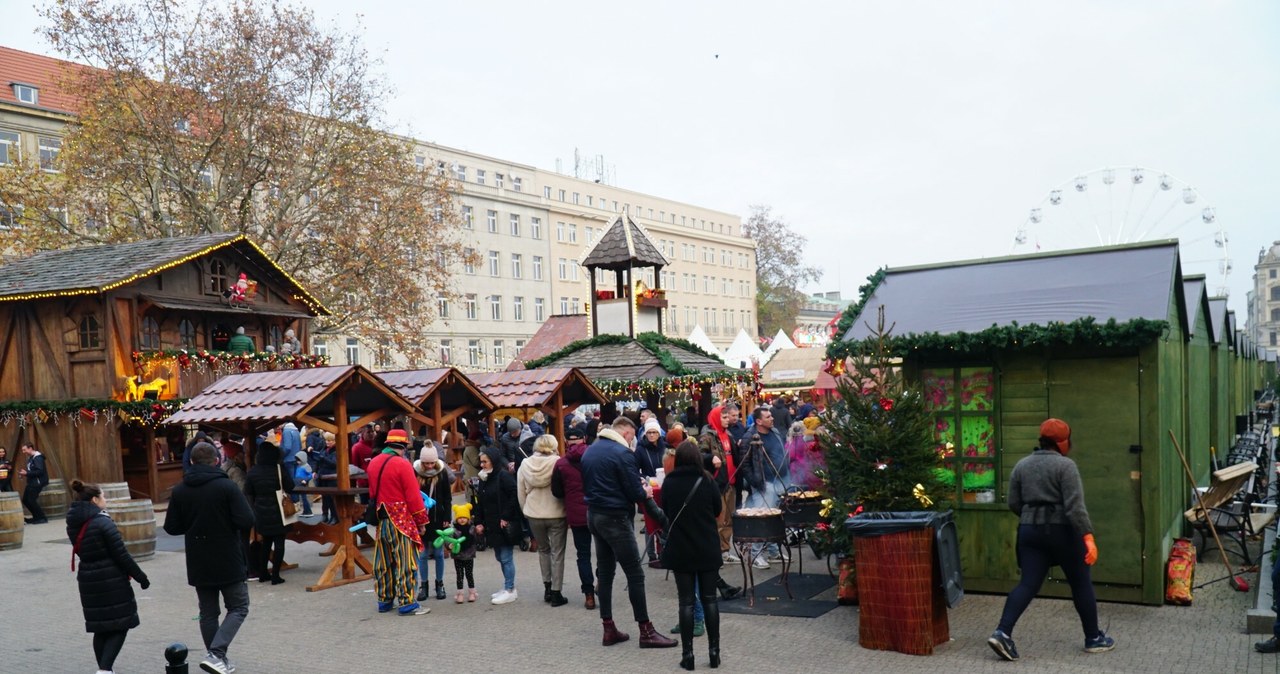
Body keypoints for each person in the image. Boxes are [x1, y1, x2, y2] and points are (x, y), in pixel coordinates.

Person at [988, 418, 1115, 662]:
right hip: (1062, 531)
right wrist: (1088, 539)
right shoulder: (1066, 466)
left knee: (1027, 584)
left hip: (1029, 530)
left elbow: (1013, 502)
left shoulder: (1022, 465)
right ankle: (1093, 638)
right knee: (1080, 582)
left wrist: (1030, 516)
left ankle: (1002, 632)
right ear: (1063, 442)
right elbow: (1075, 508)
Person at [581, 416, 677, 649]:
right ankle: (646, 631)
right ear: (625, 433)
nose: (633, 441)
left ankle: (608, 627)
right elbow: (635, 492)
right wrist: (644, 491)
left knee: (605, 574)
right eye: (632, 437)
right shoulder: (622, 453)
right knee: (635, 574)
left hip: (594, 515)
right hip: (615, 518)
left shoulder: (590, 451)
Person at [163, 441, 255, 674]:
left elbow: (172, 527)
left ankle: (217, 658)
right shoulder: (226, 487)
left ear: (191, 461)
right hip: (227, 555)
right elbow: (246, 520)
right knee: (239, 606)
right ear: (216, 460)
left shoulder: (181, 489)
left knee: (208, 612)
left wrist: (194, 522)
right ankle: (216, 654)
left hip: (199, 557)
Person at [67, 480, 150, 674]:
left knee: (100, 627)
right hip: (111, 578)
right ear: (95, 500)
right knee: (122, 623)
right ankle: (104, 669)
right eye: (103, 496)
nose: (106, 499)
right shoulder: (103, 522)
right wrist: (141, 577)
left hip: (87, 578)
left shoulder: (73, 523)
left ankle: (105, 670)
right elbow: (121, 554)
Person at [661, 441, 725, 670]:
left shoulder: (669, 482)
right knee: (710, 599)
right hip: (707, 546)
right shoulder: (707, 480)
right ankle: (714, 651)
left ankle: (687, 655)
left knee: (686, 602)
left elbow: (666, 511)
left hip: (681, 548)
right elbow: (718, 510)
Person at [366, 428, 430, 616]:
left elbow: (371, 494)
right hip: (401, 519)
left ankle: (385, 600)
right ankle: (407, 602)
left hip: (381, 519)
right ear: (403, 446)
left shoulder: (373, 463)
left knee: (383, 561)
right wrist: (421, 521)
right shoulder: (402, 465)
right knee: (405, 561)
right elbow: (413, 496)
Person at [519, 434, 569, 607]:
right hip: (556, 512)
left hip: (534, 512)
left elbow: (521, 490)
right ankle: (556, 592)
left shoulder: (525, 464)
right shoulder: (558, 462)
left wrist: (526, 509)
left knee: (543, 550)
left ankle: (547, 587)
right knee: (557, 553)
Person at [737, 408, 789, 568]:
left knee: (775, 517)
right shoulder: (750, 437)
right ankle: (756, 555)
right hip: (764, 483)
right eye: (768, 417)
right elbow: (744, 464)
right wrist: (756, 482)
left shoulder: (774, 432)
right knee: (761, 518)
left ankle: (773, 551)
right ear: (759, 421)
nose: (772, 418)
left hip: (779, 480)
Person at [552, 426, 596, 609]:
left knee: (583, 555)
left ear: (566, 441)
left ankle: (589, 595)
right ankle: (602, 579)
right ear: (584, 438)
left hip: (576, 515)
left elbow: (556, 491)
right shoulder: (594, 458)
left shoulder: (561, 464)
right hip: (598, 510)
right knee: (604, 551)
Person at [242, 442, 294, 584]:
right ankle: (276, 575)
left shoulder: (253, 471)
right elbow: (290, 486)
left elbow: (248, 491)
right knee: (279, 542)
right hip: (279, 510)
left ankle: (263, 573)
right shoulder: (278, 469)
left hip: (261, 511)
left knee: (265, 543)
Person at [473, 446, 520, 605]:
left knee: (506, 557)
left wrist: (506, 516)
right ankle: (508, 587)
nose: (482, 465)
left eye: (485, 461)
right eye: (481, 462)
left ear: (493, 461)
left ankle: (510, 588)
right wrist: (478, 521)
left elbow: (515, 494)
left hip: (502, 523)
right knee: (500, 557)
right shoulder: (484, 478)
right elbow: (478, 501)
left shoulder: (504, 476)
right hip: (492, 524)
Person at [414, 442, 454, 602]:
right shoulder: (415, 473)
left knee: (438, 553)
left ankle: (440, 583)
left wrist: (447, 518)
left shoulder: (442, 472)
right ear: (422, 463)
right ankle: (424, 584)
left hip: (438, 518)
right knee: (422, 554)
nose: (430, 466)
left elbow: (447, 497)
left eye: (432, 462)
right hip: (421, 518)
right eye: (426, 463)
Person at [449, 503, 479, 603]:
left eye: (464, 517)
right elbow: (448, 540)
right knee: (459, 575)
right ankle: (460, 594)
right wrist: (450, 545)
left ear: (468, 518)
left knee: (469, 574)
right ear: (456, 519)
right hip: (458, 556)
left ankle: (472, 592)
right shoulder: (453, 530)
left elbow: (476, 539)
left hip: (469, 555)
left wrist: (479, 532)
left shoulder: (472, 528)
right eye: (460, 517)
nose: (462, 519)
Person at [19, 442, 48, 524]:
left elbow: (40, 471)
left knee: (31, 500)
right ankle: (36, 517)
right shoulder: (31, 458)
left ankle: (42, 518)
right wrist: (24, 473)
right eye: (22, 450)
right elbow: (32, 470)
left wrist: (27, 473)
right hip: (31, 482)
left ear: (30, 448)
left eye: (24, 450)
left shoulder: (38, 458)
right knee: (25, 500)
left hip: (37, 482)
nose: (23, 452)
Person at [315, 432, 339, 524]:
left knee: (332, 499)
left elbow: (334, 464)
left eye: (329, 440)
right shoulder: (324, 450)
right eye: (326, 440)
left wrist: (323, 458)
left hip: (331, 477)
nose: (327, 442)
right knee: (325, 498)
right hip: (323, 476)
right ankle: (325, 515)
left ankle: (334, 516)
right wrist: (315, 470)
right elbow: (319, 462)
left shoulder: (336, 451)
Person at [291, 450, 314, 517]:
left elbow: (310, 475)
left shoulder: (306, 466)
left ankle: (308, 511)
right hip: (298, 482)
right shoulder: (299, 466)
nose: (298, 462)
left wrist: (305, 480)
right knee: (302, 498)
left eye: (299, 460)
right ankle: (305, 511)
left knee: (304, 498)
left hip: (303, 483)